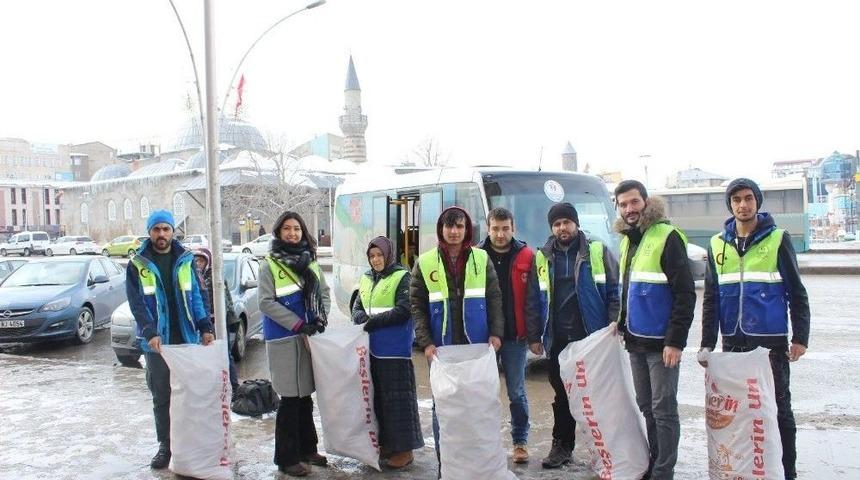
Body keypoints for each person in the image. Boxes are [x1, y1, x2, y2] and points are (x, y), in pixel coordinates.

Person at [698, 178, 810, 480]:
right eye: (736, 200)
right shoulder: (717, 244)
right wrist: (707, 343)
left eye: (748, 198)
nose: (743, 205)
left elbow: (796, 292)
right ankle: (749, 471)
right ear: (730, 204)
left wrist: (800, 337)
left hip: (770, 343)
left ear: (757, 202)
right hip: (732, 342)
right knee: (741, 412)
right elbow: (712, 298)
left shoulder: (777, 239)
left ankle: (787, 472)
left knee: (778, 409)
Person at [525, 202, 620, 469]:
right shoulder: (542, 257)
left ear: (576, 224)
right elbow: (533, 299)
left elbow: (615, 291)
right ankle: (562, 447)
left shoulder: (596, 250)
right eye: (556, 224)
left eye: (566, 222)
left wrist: (614, 325)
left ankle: (605, 451)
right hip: (557, 339)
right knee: (562, 396)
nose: (562, 228)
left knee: (598, 395)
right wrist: (534, 335)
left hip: (591, 338)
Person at [410, 206, 504, 473]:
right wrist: (426, 343)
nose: (454, 232)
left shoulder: (481, 258)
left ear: (467, 230)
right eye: (449, 226)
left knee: (477, 406)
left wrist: (496, 333)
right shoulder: (425, 262)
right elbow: (416, 305)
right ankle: (447, 467)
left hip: (477, 346)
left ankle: (474, 465)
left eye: (459, 226)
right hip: (441, 349)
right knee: (445, 407)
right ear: (441, 229)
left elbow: (494, 297)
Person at [613, 180, 695, 480]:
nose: (630, 209)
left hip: (662, 343)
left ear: (646, 202)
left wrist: (675, 341)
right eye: (623, 204)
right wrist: (620, 323)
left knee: (663, 410)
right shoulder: (627, 240)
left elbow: (685, 294)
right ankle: (655, 462)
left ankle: (663, 472)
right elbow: (629, 290)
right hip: (636, 341)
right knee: (646, 406)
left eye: (634, 202)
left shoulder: (667, 236)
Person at [125, 209, 214, 470]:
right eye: (156, 229)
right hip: (157, 344)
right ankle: (166, 446)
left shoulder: (186, 260)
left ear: (173, 231)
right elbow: (137, 303)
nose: (161, 234)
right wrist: (149, 331)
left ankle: (189, 443)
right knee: (162, 396)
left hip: (186, 339)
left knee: (189, 394)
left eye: (165, 229)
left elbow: (196, 296)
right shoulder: (138, 264)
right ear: (149, 232)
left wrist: (205, 325)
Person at [258, 211, 330, 477]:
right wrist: (298, 324)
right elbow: (265, 303)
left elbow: (324, 292)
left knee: (304, 397)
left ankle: (307, 448)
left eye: (297, 229)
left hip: (310, 338)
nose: (292, 233)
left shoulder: (310, 262)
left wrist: (321, 319)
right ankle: (286, 458)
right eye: (287, 229)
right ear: (278, 232)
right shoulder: (269, 265)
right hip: (284, 339)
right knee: (289, 399)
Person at [352, 236, 424, 469]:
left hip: (394, 351)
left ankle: (404, 450)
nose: (375, 260)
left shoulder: (401, 277)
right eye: (372, 256)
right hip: (371, 350)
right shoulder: (366, 278)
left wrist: (372, 322)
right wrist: (360, 317)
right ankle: (386, 444)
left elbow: (405, 309)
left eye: (379, 255)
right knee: (379, 401)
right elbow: (358, 306)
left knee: (398, 401)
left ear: (388, 255)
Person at [476, 207, 536, 464]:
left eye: (505, 228)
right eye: (495, 229)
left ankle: (520, 442)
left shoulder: (527, 256)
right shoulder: (476, 256)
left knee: (516, 392)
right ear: (488, 229)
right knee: (481, 393)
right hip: (483, 337)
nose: (500, 234)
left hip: (514, 337)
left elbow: (535, 298)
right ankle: (483, 444)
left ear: (513, 229)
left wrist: (534, 334)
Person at [192, 247, 240, 396]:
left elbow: (225, 301)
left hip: (217, 321)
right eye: (196, 260)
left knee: (224, 353)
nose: (198, 263)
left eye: (201, 260)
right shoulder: (192, 277)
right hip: (202, 323)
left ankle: (234, 387)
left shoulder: (215, 277)